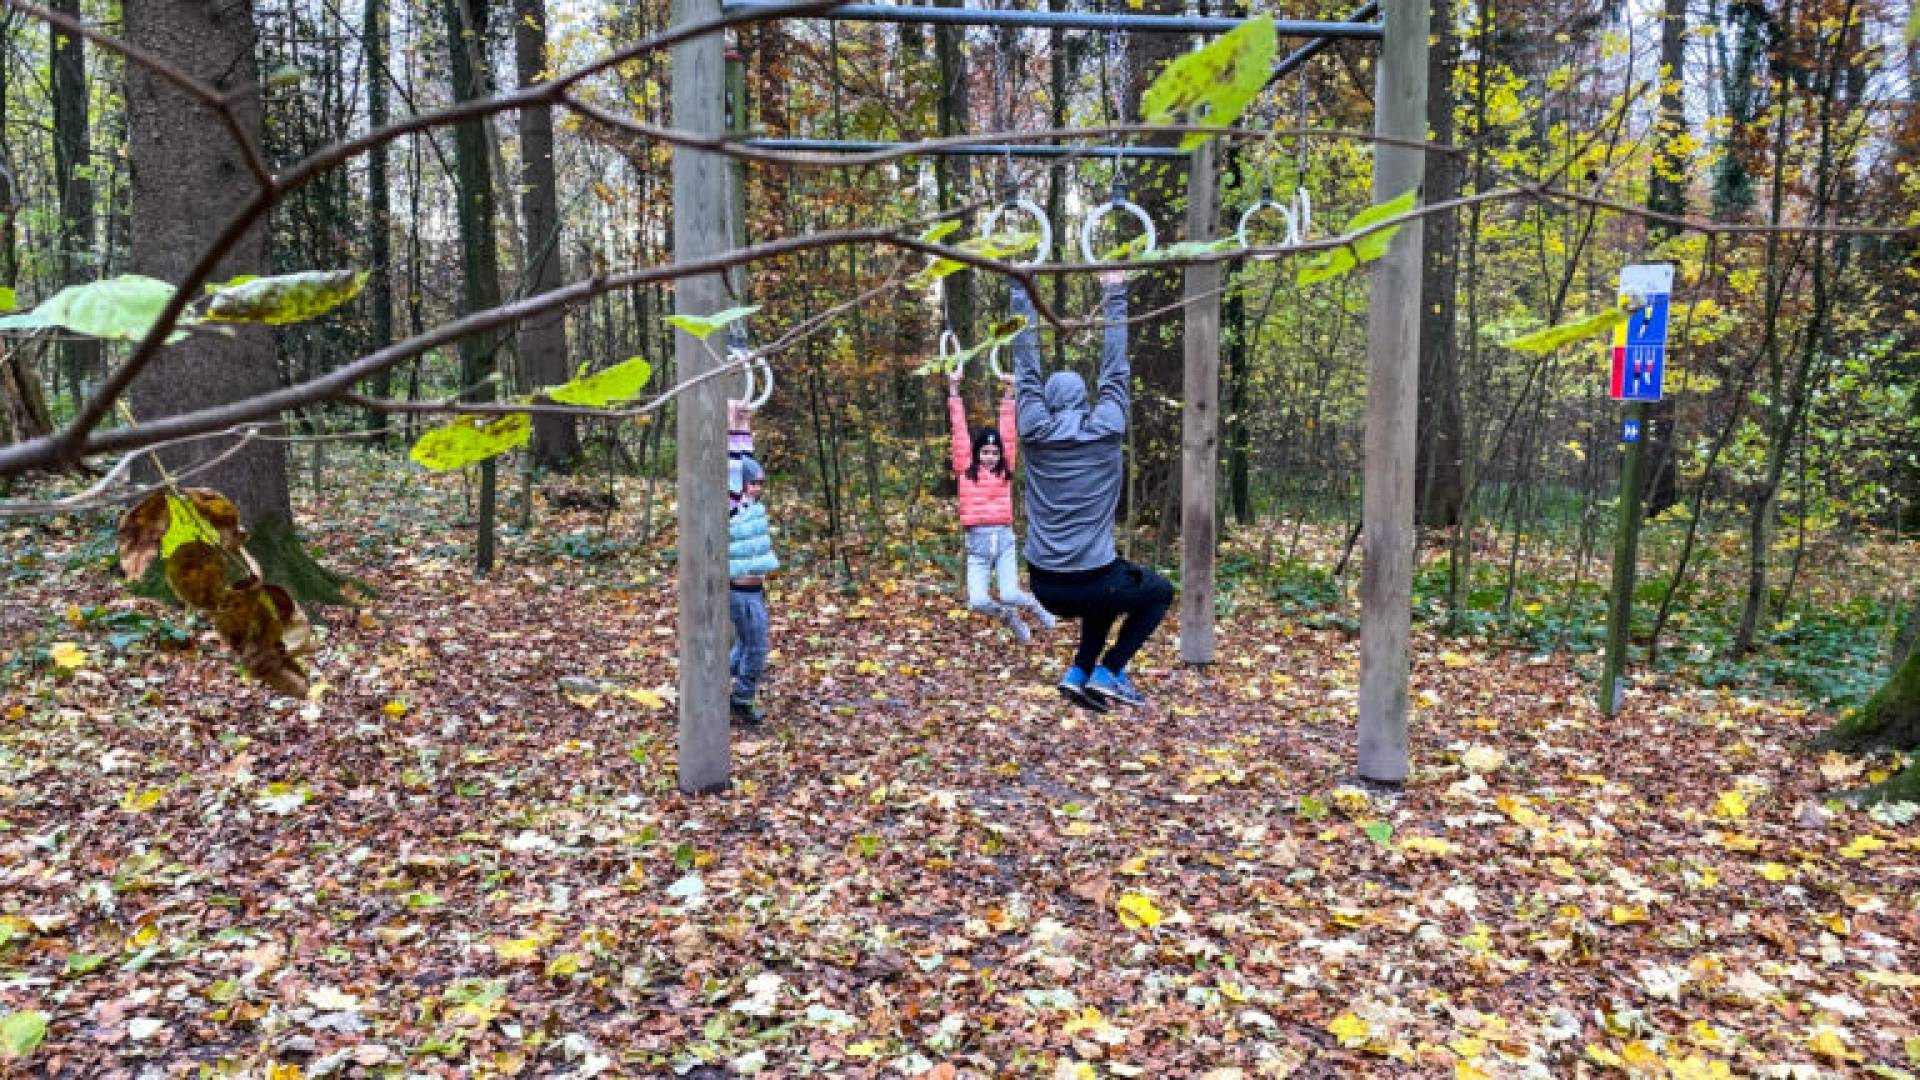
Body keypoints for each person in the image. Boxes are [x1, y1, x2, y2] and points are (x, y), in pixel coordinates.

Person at [1012, 269, 1173, 711]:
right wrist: (1115, 294)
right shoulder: (1105, 430)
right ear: (1085, 400)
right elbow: (1115, 369)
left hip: (1045, 585)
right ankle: (1111, 669)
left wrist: (1018, 289)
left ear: (1045, 401)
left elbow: (1025, 367)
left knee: (1109, 586)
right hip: (1089, 579)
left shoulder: (1035, 433)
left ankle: (1079, 672)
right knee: (1158, 592)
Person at [947, 366, 1058, 642]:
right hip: (977, 544)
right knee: (978, 601)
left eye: (994, 453)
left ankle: (1034, 606)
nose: (990, 457)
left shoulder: (1004, 469)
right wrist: (953, 390)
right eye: (985, 452)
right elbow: (958, 428)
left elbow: (1008, 433)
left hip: (1004, 539)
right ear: (976, 453)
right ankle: (1010, 618)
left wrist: (1010, 394)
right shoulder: (965, 468)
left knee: (1010, 593)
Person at [727, 401, 778, 726]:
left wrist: (744, 425)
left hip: (755, 591)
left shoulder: (752, 503)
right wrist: (731, 426)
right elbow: (734, 467)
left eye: (760, 484)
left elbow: (745, 462)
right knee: (757, 647)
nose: (756, 488)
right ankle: (741, 697)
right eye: (752, 484)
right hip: (739, 591)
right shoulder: (731, 506)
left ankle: (718, 681)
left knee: (747, 644)